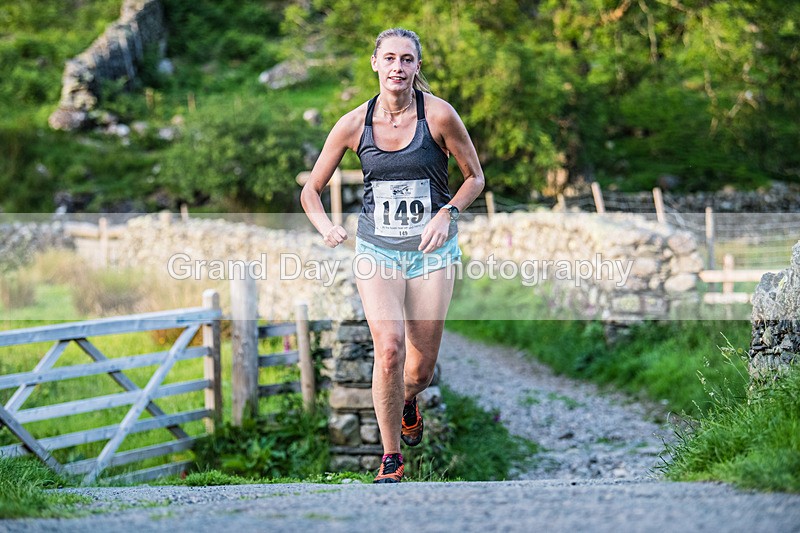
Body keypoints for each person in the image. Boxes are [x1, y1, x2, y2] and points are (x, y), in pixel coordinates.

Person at [301, 27, 484, 483]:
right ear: (375, 64)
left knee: (419, 369)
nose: (397, 67)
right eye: (389, 58)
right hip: (376, 249)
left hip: (430, 252)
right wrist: (327, 227)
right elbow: (311, 190)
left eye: (407, 59)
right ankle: (390, 458)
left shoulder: (440, 116)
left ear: (417, 66)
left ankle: (408, 399)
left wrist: (447, 212)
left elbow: (474, 178)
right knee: (388, 349)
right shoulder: (353, 124)